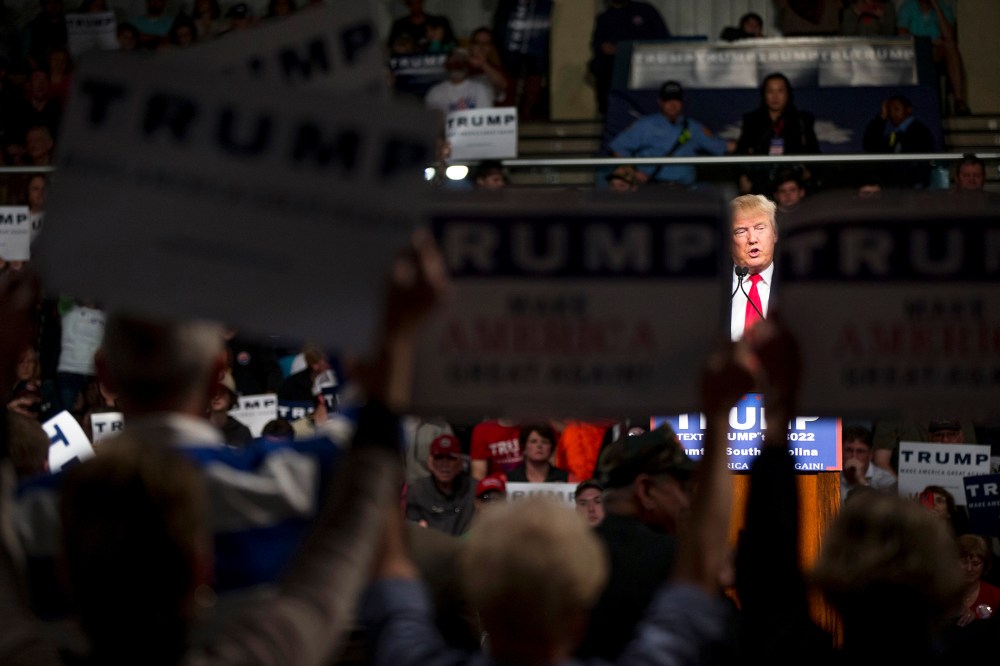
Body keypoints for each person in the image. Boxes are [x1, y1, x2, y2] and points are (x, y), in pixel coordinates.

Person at [361, 333, 752, 666]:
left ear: (477, 597)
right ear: (578, 616)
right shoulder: (652, 646)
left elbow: (392, 577)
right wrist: (718, 416)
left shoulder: (411, 655)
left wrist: (389, 362)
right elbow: (699, 576)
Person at [608, 80, 735, 189]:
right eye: (668, 100)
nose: (672, 104)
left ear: (682, 102)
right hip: (652, 188)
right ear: (660, 102)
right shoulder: (645, 124)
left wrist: (746, 144)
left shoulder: (692, 127)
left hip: (684, 190)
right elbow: (618, 147)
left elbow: (720, 146)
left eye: (676, 99)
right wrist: (631, 169)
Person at [734, 72, 819, 195]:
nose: (775, 96)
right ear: (764, 94)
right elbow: (740, 152)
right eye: (770, 91)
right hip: (761, 178)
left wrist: (809, 171)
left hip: (792, 177)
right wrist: (742, 176)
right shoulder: (752, 120)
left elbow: (814, 151)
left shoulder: (802, 120)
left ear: (788, 94)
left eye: (780, 91)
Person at [589, 0, 669, 117]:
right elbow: (598, 45)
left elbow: (663, 40)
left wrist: (635, 50)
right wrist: (606, 48)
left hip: (647, 70)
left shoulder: (645, 10)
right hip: (616, 71)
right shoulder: (604, 18)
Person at [897, 0, 970, 115]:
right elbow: (902, 34)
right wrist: (929, 42)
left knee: (950, 46)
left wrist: (936, 8)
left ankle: (959, 100)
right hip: (914, 51)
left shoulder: (944, 8)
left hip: (937, 52)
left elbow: (948, 36)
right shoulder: (908, 7)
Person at [405, 433, 475, 536]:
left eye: (450, 458)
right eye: (439, 457)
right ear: (430, 462)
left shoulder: (474, 490)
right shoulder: (416, 492)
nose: (444, 464)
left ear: (460, 463)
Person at [862, 94, 937, 189]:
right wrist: (882, 117)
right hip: (897, 189)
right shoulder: (896, 134)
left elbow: (916, 165)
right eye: (890, 111)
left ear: (909, 109)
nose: (893, 114)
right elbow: (871, 145)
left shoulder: (920, 132)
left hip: (913, 189)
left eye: (896, 109)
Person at [729, 194, 778, 342]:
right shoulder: (714, 291)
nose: (752, 239)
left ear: (775, 234)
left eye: (759, 228)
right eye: (741, 231)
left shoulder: (792, 286)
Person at [424, 47, 494, 116]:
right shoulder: (435, 92)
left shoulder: (480, 89)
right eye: (454, 62)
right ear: (446, 65)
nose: (457, 66)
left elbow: (485, 119)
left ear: (467, 66)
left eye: (461, 62)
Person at [840, 423, 897, 501]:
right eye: (849, 450)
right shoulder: (828, 478)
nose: (854, 457)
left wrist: (862, 480)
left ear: (870, 455)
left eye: (860, 451)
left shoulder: (887, 481)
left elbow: (881, 510)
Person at [506, 423, 571, 483]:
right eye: (533, 441)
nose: (539, 446)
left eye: (545, 442)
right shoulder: (509, 479)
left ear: (552, 448)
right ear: (524, 447)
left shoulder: (567, 479)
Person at [388, 0, 455, 55]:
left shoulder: (440, 22)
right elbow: (391, 49)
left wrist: (436, 42)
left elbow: (453, 46)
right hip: (408, 66)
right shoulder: (399, 25)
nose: (416, 6)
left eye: (417, 2)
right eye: (412, 3)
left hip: (437, 64)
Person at [207, 370, 253, 447]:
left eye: (222, 392)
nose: (216, 397)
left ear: (231, 397)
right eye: (213, 391)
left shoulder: (242, 432)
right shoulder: (195, 428)